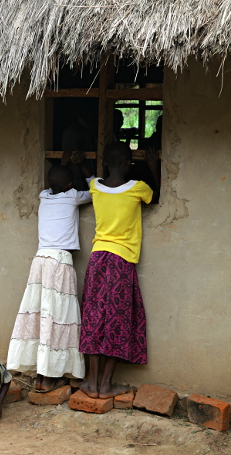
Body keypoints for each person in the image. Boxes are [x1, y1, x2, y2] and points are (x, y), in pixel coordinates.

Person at [79, 141, 160, 399]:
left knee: (93, 317)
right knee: (117, 320)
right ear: (129, 164)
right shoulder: (138, 188)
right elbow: (156, 197)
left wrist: (81, 163)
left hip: (97, 258)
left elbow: (90, 177)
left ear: (104, 163)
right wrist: (152, 165)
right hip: (121, 261)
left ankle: (91, 384)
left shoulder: (95, 187)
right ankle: (106, 386)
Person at [7, 156, 93, 392]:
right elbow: (96, 188)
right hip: (59, 261)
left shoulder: (44, 196)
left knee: (41, 316)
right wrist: (84, 170)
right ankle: (50, 376)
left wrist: (63, 163)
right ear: (69, 185)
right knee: (57, 317)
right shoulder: (73, 195)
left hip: (40, 260)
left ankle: (40, 376)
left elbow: (54, 184)